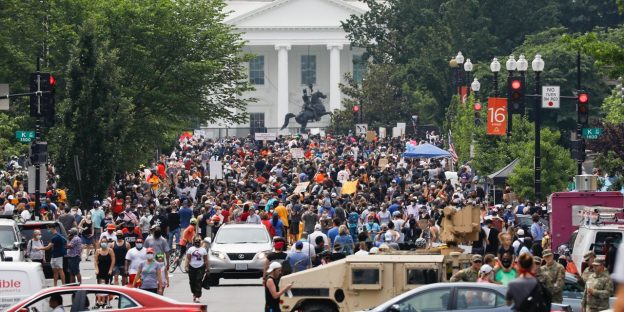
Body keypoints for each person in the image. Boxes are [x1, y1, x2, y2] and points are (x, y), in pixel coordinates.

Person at [186, 238, 208, 303]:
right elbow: (188, 258)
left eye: (199, 241)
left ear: (200, 242)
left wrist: (207, 268)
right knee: (192, 281)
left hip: (201, 267)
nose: (197, 243)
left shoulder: (203, 250)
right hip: (192, 267)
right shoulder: (190, 249)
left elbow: (206, 260)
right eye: (196, 241)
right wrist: (186, 266)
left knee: (198, 280)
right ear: (194, 242)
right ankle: (194, 293)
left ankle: (197, 296)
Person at [94, 238, 114, 308]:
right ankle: (98, 301)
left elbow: (113, 260)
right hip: (100, 270)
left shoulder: (110, 250)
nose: (104, 243)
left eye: (105, 242)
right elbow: (95, 261)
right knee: (99, 286)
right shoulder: (98, 251)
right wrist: (96, 269)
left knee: (106, 286)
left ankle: (105, 301)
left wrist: (111, 269)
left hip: (108, 271)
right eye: (102, 242)